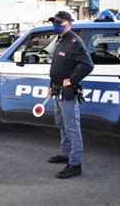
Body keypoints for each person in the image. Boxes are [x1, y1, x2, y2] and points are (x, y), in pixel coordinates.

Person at [47, 11, 94, 179]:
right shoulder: (60, 40)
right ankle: (65, 154)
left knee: (72, 128)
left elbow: (88, 65)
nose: (56, 24)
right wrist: (51, 86)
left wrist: (72, 80)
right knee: (61, 124)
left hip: (67, 94)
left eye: (60, 22)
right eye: (54, 21)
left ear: (69, 23)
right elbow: (57, 66)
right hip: (57, 91)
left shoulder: (75, 42)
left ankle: (75, 164)